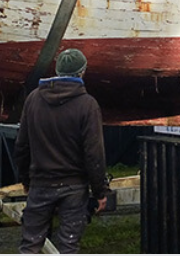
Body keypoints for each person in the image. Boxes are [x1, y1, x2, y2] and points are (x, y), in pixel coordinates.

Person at [14, 49, 109, 254]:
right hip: (73, 187)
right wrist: (100, 191)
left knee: (30, 244)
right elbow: (94, 154)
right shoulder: (87, 105)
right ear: (82, 72)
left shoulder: (33, 99)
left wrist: (26, 181)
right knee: (69, 245)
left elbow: (21, 146)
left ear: (56, 71)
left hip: (40, 183)